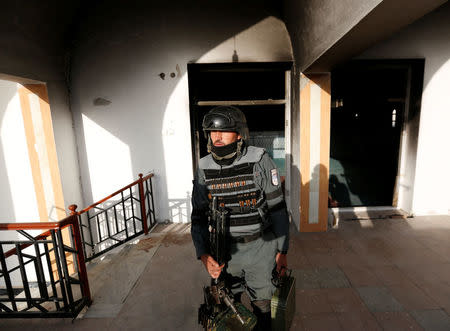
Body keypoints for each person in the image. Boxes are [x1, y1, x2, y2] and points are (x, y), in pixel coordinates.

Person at [191, 105, 290, 330]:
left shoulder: (260, 161)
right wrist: (204, 255)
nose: (216, 136)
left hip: (260, 250)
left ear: (239, 134)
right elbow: (198, 217)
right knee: (228, 313)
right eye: (212, 132)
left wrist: (282, 251)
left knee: (264, 309)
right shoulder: (204, 168)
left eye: (223, 131)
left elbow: (278, 210)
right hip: (225, 253)